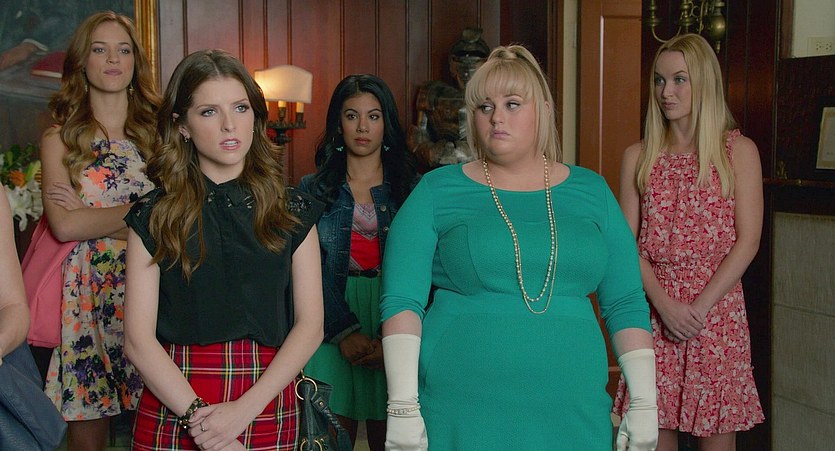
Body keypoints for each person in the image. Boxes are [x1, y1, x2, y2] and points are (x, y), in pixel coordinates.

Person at [379, 44, 658, 450]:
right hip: (462, 407)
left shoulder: (592, 190)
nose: (497, 117)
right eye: (484, 107)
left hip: (573, 407)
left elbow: (626, 303)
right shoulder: (437, 190)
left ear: (543, 110)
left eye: (512, 104)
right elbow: (402, 301)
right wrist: (402, 405)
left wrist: (646, 401)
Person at [124, 49, 325, 451]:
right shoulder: (154, 214)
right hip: (176, 399)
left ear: (255, 115)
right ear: (182, 126)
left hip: (265, 396)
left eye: (240, 107)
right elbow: (137, 341)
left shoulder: (292, 209)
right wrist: (202, 420)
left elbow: (311, 326)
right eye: (209, 112)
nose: (230, 125)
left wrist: (242, 411)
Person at [612, 33, 765, 451]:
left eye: (680, 79)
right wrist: (664, 305)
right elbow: (625, 245)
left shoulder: (738, 151)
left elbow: (748, 241)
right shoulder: (638, 156)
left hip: (717, 316)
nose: (666, 91)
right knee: (649, 437)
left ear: (704, 82)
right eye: (659, 80)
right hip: (655, 312)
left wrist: (698, 309)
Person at [38, 10, 159, 451]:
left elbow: (174, 220)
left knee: (158, 422)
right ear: (81, 62)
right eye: (100, 49)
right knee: (88, 433)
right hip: (85, 295)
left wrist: (95, 217)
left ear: (135, 63)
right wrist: (142, 214)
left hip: (152, 286)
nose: (113, 59)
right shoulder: (60, 139)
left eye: (123, 50)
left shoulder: (160, 137)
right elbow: (65, 225)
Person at [298, 74, 420, 450]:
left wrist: (392, 339)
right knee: (330, 438)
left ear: (387, 124)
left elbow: (424, 268)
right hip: (329, 313)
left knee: (395, 438)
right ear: (339, 124)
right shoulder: (312, 189)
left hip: (393, 311)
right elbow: (307, 270)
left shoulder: (412, 189)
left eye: (374, 116)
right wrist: (343, 332)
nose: (363, 127)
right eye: (352, 116)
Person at [408, 27, 489, 170]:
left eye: (473, 61)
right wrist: (431, 152)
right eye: (461, 60)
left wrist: (469, 154)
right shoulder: (432, 91)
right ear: (452, 64)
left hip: (482, 166)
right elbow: (418, 135)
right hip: (440, 166)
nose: (466, 70)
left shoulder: (494, 96)